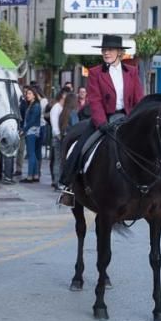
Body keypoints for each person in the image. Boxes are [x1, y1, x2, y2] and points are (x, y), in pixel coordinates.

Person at [56, 35, 143, 204]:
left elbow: (138, 98)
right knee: (81, 146)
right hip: (105, 118)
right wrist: (102, 123)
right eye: (104, 50)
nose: (106, 53)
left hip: (128, 118)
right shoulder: (95, 73)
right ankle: (67, 185)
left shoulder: (132, 72)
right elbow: (95, 100)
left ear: (119, 52)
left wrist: (138, 120)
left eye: (109, 50)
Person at [21, 86, 42, 183]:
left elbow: (32, 120)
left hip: (31, 131)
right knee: (34, 153)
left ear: (34, 95)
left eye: (29, 94)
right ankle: (35, 175)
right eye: (27, 93)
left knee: (31, 153)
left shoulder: (36, 105)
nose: (27, 95)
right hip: (33, 131)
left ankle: (30, 176)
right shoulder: (31, 104)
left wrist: (24, 130)